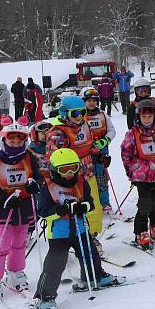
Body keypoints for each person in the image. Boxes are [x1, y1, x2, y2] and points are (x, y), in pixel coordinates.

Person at [32, 148, 124, 309]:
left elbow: (91, 203)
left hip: (80, 228)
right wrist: (61, 209)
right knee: (55, 264)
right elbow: (43, 211)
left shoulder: (81, 182)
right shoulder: (49, 187)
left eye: (73, 168)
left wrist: (83, 206)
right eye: (64, 170)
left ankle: (94, 276)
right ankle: (44, 297)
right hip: (59, 233)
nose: (69, 173)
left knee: (90, 253)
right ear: (54, 170)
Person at [0, 121, 43, 301]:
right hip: (5, 209)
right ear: (4, 141)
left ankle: (16, 272)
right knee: (2, 245)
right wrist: (2, 198)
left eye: (19, 143)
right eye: (12, 142)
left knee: (19, 243)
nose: (15, 145)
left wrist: (35, 185)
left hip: (23, 207)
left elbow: (38, 177)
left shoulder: (29, 158)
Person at [46, 95, 104, 241]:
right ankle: (65, 238)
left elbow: (88, 145)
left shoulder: (85, 125)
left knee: (92, 207)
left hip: (87, 173)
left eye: (82, 112)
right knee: (69, 210)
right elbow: (54, 158)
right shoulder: (58, 133)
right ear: (65, 113)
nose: (79, 117)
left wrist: (97, 155)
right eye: (75, 113)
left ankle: (91, 236)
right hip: (67, 178)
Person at [120, 98, 155, 248]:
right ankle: (140, 231)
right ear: (138, 117)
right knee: (145, 203)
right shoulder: (132, 134)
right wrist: (132, 171)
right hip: (141, 176)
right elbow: (125, 153)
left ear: (154, 116)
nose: (147, 120)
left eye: (150, 117)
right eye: (144, 117)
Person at [82, 87, 116, 216]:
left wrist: (105, 140)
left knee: (102, 177)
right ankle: (90, 201)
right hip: (86, 151)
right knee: (88, 177)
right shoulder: (81, 116)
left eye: (94, 100)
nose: (92, 103)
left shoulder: (103, 114)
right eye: (89, 100)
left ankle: (105, 202)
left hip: (101, 150)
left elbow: (112, 130)